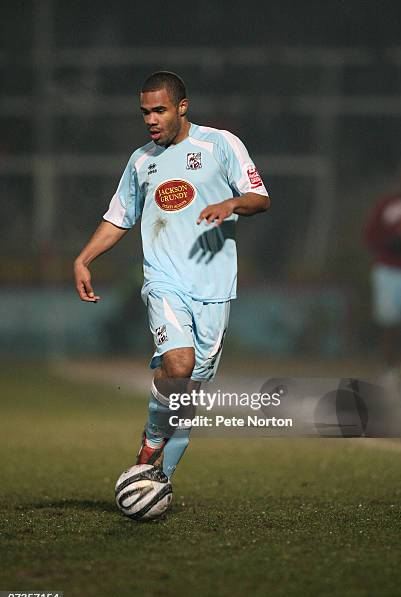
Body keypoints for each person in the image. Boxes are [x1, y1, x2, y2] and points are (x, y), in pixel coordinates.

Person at [74, 71, 270, 479]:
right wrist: (84, 259)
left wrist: (231, 204)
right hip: (165, 282)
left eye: (159, 110)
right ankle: (150, 448)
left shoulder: (220, 144)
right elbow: (119, 218)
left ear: (182, 107)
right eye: (145, 111)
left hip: (215, 288)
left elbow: (260, 198)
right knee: (178, 366)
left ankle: (159, 476)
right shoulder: (141, 160)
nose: (151, 119)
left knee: (188, 392)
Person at [365, 165, 401, 367]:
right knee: (390, 323)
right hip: (390, 269)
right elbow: (371, 235)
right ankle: (390, 367)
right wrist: (391, 243)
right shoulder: (388, 204)